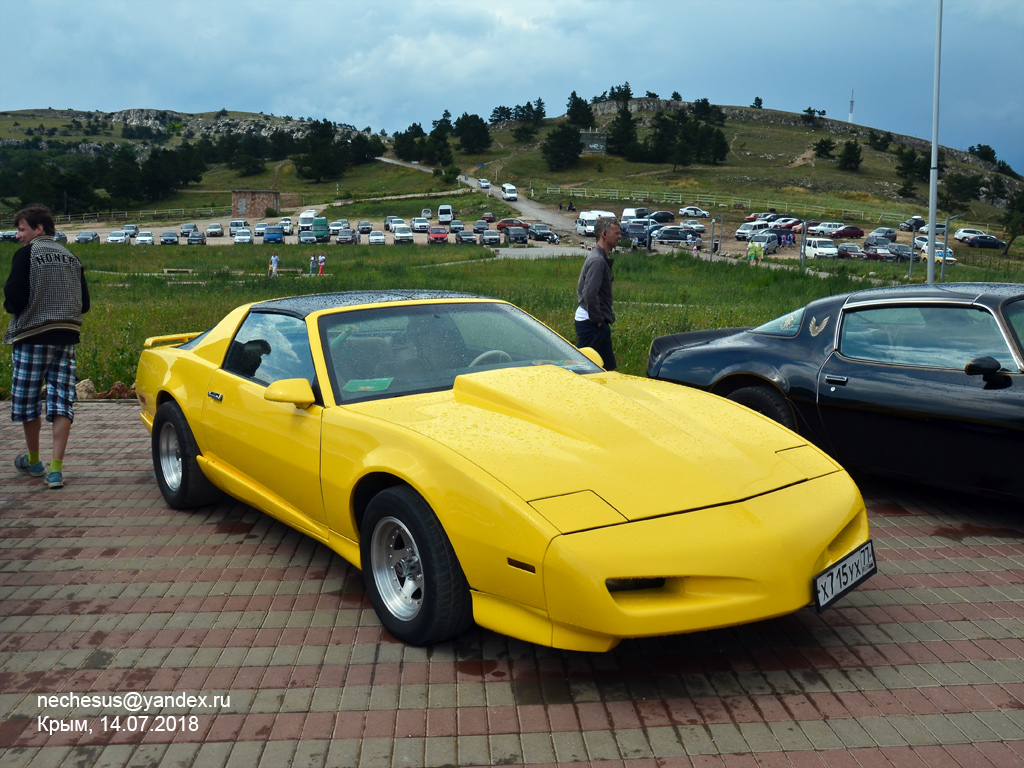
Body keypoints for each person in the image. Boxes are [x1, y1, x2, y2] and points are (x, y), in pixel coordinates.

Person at [3, 205, 90, 489]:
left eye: (22, 229)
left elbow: (14, 297)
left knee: (28, 401)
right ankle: (56, 470)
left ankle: (34, 460)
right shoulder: (71, 257)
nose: (18, 235)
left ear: (38, 229)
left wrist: (12, 308)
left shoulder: (26, 255)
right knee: (62, 399)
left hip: (32, 337)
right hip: (67, 337)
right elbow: (85, 304)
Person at [574, 217, 620, 371]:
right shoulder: (598, 261)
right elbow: (589, 293)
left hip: (594, 323)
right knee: (583, 369)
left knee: (606, 369)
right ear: (604, 235)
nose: (619, 236)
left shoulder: (600, 258)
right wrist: (598, 320)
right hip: (592, 324)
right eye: (616, 233)